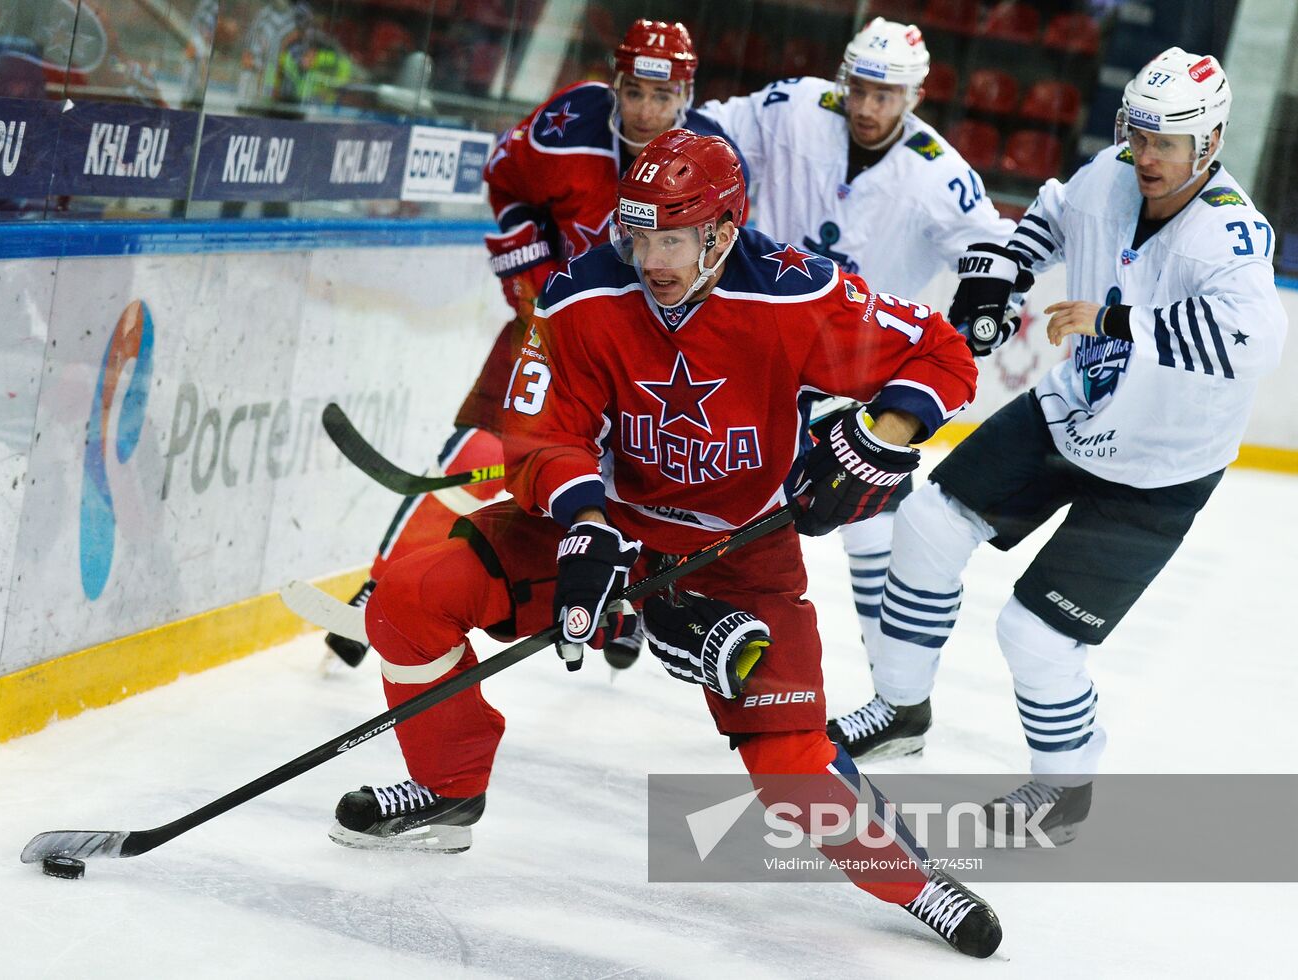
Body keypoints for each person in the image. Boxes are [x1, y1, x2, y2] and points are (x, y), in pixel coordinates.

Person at [329, 130, 1001, 958]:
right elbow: (540, 434)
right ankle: (446, 789)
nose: (650, 257)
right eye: (638, 234)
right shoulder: (581, 296)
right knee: (409, 597)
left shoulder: (795, 295)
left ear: (721, 231)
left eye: (671, 238)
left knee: (792, 771)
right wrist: (584, 521)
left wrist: (880, 434)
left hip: (741, 553)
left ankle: (917, 880)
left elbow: (942, 353)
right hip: (604, 529)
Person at [825, 48, 1287, 842]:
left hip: (1158, 470)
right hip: (1070, 414)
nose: (1143, 156)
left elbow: (1253, 343)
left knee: (1034, 636)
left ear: (1208, 144)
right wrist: (998, 273)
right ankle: (902, 707)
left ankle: (1065, 786)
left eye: (1163, 143)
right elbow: (1046, 221)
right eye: (1136, 135)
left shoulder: (1232, 235)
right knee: (927, 521)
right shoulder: (1111, 173)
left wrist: (1114, 322)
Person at [325, 20, 746, 673]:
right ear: (616, 81)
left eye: (663, 98)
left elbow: (726, 261)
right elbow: (505, 178)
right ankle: (383, 582)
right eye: (635, 92)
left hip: (643, 351)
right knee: (476, 450)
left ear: (687, 93)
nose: (646, 110)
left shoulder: (713, 158)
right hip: (548, 324)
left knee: (631, 479)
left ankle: (626, 604)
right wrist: (528, 265)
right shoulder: (568, 122)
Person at [697, 17, 1015, 677]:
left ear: (915, 96)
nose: (867, 108)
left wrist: (988, 307)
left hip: (854, 376)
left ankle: (892, 685)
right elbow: (707, 128)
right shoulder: (793, 107)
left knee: (871, 531)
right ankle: (640, 607)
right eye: (860, 89)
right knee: (687, 477)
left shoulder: (940, 175)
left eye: (885, 96)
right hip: (750, 347)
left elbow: (995, 257)